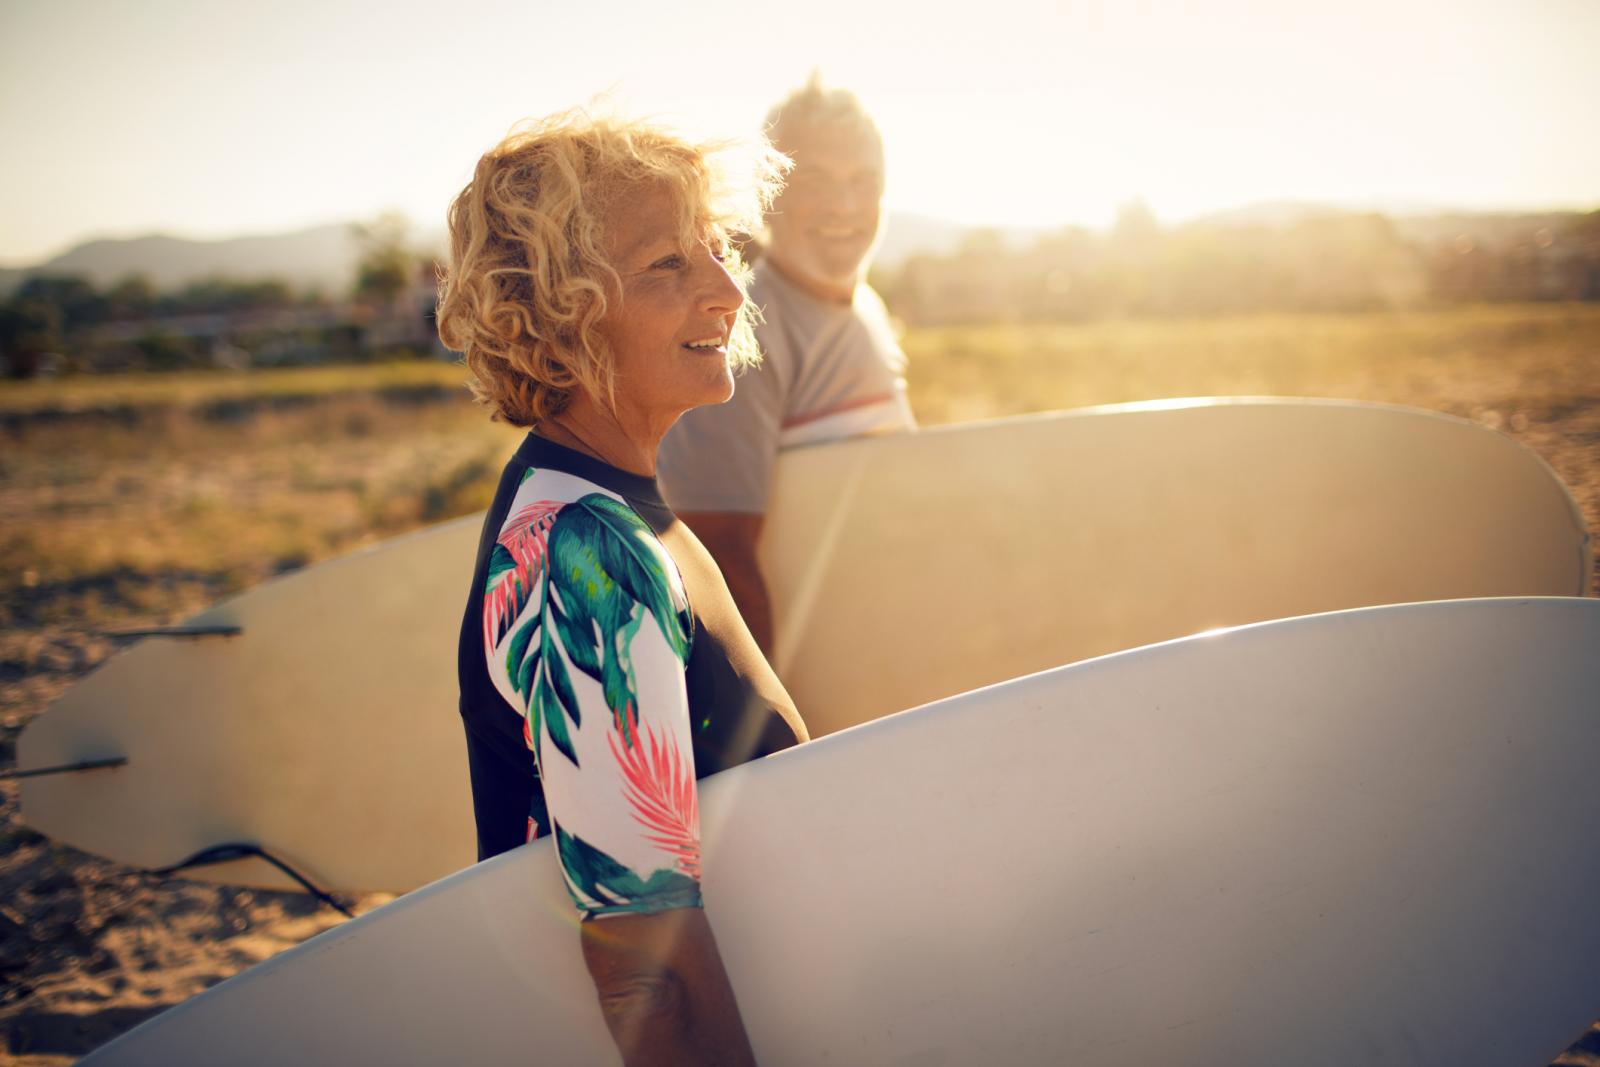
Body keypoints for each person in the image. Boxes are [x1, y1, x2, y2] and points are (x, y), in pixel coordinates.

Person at [439, 110, 808, 1067]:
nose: (729, 290)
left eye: (718, 250)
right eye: (667, 267)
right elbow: (644, 972)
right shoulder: (586, 550)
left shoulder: (619, 510)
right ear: (559, 316)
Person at [657, 77, 914, 656]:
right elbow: (715, 554)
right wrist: (775, 737)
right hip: (821, 694)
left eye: (863, 182)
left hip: (891, 659)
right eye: (815, 180)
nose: (844, 206)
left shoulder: (866, 307)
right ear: (766, 192)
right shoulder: (740, 333)